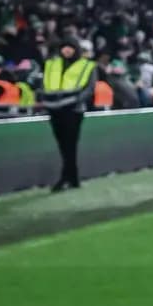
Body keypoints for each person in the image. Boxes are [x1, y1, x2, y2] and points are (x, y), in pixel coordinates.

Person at [38, 33, 96, 192]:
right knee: (64, 146)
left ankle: (65, 178)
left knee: (69, 145)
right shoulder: (52, 64)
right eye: (64, 47)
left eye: (70, 47)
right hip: (54, 109)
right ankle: (73, 178)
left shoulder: (87, 65)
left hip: (74, 110)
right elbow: (44, 83)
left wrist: (76, 101)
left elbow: (90, 88)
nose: (67, 50)